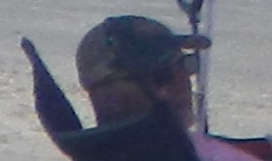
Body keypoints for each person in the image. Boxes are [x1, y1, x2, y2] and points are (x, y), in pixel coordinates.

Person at [68, 12, 201, 131]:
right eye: (163, 73)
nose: (182, 81)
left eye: (185, 65)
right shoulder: (111, 158)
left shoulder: (202, 153)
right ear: (110, 97)